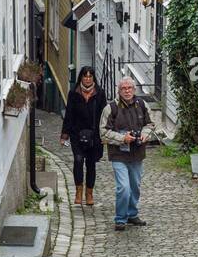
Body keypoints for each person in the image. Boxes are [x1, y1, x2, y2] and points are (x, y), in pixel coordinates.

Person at [99, 76, 156, 230]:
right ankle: (120, 218)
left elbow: (150, 124)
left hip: (137, 153)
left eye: (129, 88)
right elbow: (103, 133)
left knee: (135, 186)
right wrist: (122, 138)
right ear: (119, 91)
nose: (127, 91)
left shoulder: (142, 104)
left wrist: (144, 134)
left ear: (134, 89)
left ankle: (132, 214)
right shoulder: (110, 108)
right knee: (123, 187)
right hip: (118, 154)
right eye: (123, 88)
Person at [60, 66, 107, 206]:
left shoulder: (100, 93)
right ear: (81, 77)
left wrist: (104, 134)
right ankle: (78, 191)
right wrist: (65, 135)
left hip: (94, 135)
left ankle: (89, 193)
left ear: (93, 78)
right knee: (78, 160)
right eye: (85, 76)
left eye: (90, 76)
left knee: (91, 164)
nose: (87, 79)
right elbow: (69, 114)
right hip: (77, 134)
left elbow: (104, 115)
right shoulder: (74, 93)